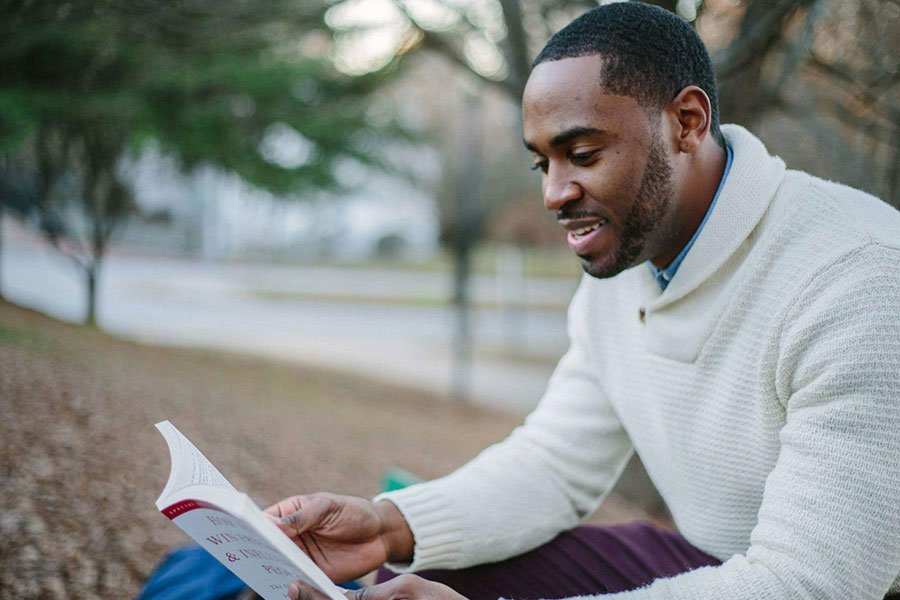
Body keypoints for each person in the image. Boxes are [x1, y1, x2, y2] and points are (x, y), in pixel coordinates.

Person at [266, 3, 900, 599]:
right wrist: (385, 526)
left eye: (583, 154)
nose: (554, 193)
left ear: (686, 122)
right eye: (542, 163)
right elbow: (554, 464)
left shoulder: (859, 281)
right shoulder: (628, 260)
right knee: (406, 574)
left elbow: (811, 584)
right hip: (712, 560)